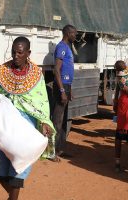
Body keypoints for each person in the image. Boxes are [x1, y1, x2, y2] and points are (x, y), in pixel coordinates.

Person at [0, 36, 56, 200]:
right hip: (4, 126)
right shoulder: (4, 72)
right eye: (13, 52)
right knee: (2, 173)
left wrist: (44, 122)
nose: (15, 55)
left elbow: (41, 102)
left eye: (19, 52)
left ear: (28, 53)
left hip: (25, 126)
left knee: (19, 167)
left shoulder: (36, 74)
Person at [52, 24, 77, 158]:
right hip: (61, 88)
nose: (76, 36)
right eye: (74, 33)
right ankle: (53, 152)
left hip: (66, 87)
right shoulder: (61, 47)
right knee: (57, 120)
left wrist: (69, 90)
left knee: (63, 120)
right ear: (68, 33)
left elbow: (67, 71)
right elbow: (57, 70)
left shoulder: (68, 48)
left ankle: (60, 149)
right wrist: (62, 90)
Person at [113, 58, 128, 172]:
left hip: (122, 103)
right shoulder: (126, 75)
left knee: (119, 134)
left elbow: (116, 90)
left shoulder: (119, 76)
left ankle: (117, 163)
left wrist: (115, 101)